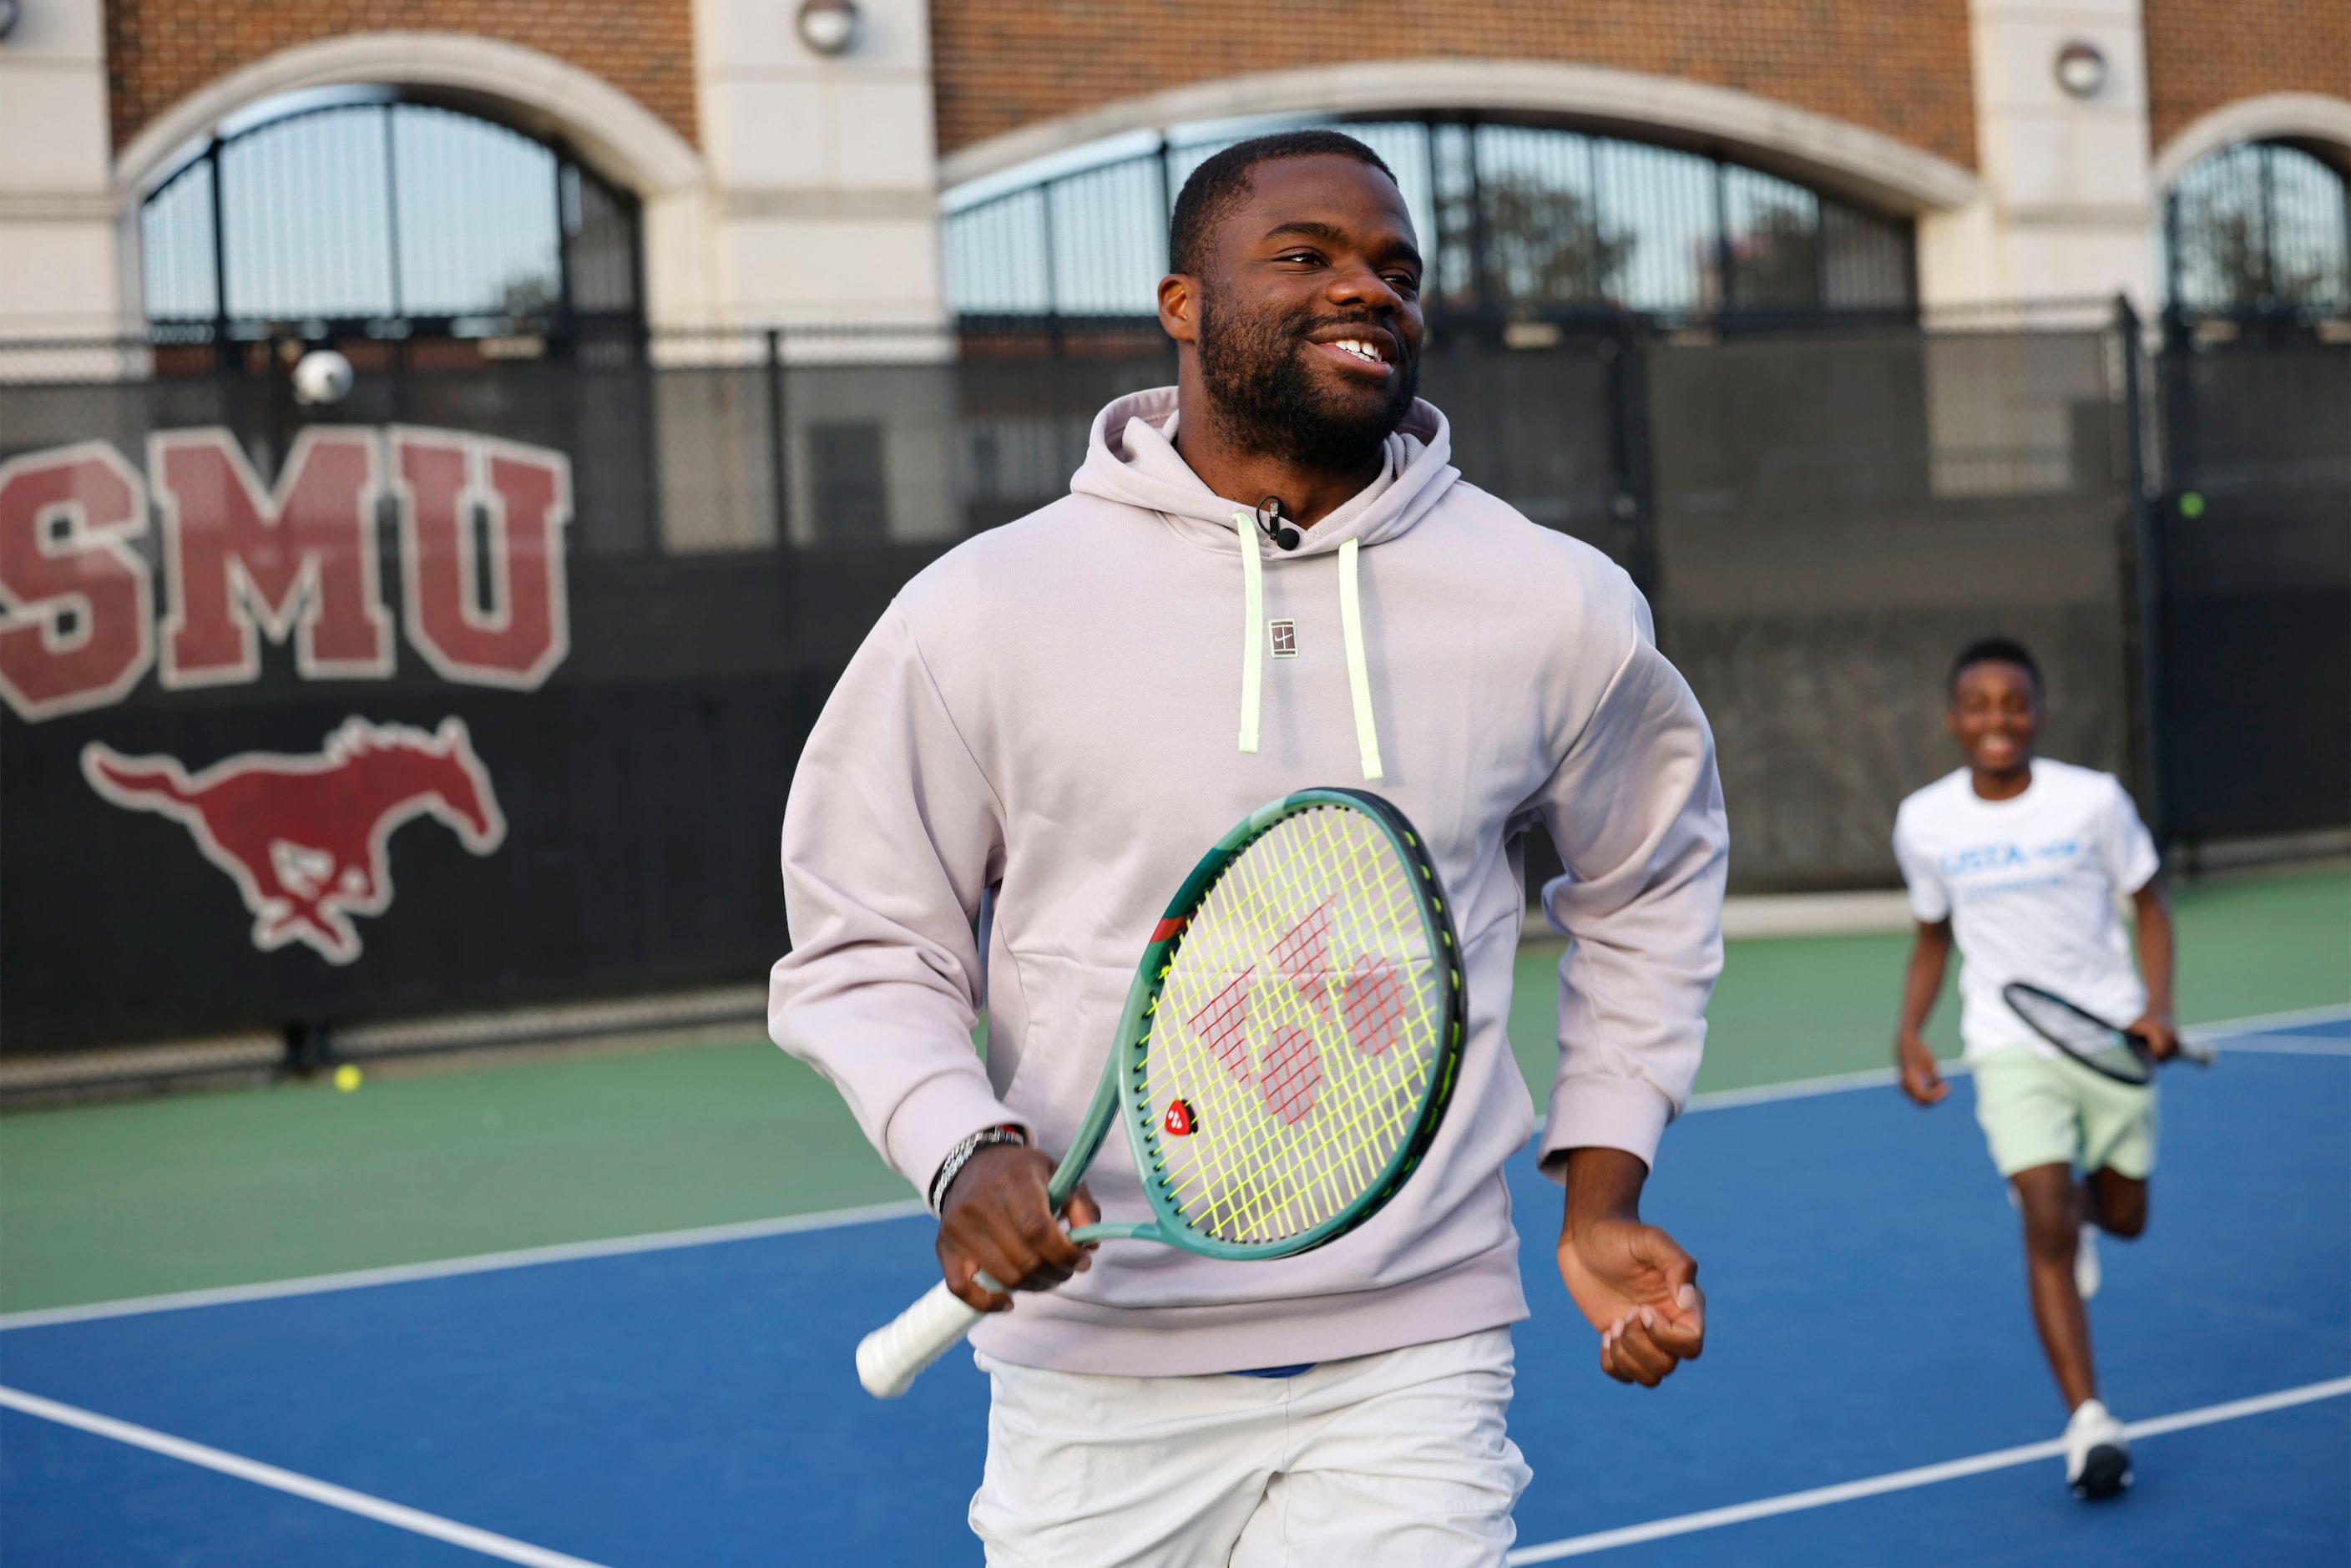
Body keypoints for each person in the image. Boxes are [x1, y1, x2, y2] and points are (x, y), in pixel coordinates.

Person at [771, 129, 1728, 1565]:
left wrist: (1604, 1185)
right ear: (1181, 305)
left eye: (1396, 269)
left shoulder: (1556, 601)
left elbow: (1650, 883)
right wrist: (960, 1147)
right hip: (1093, 1364)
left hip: (1418, 1352)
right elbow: (863, 935)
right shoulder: (984, 607)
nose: (1370, 290)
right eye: (1307, 256)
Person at [1890, 636, 2177, 1502]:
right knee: (2043, 1211)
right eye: (1976, 706)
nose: (1995, 721)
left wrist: (2155, 1009)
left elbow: (2148, 906)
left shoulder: (2090, 802)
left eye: (2011, 703)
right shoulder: (1925, 821)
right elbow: (1931, 938)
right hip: (2005, 1044)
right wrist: (1909, 1031)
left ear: (2037, 714)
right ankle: (2088, 1419)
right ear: (1951, 719)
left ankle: (2079, 1212)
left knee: (2121, 1217)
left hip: (2105, 1042)